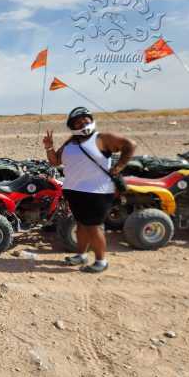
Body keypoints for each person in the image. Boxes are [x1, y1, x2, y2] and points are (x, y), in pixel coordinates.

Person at [44, 106, 136, 273]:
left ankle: (101, 261)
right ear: (72, 126)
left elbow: (130, 145)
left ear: (92, 120)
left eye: (85, 120)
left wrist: (119, 167)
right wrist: (49, 147)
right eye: (78, 122)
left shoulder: (101, 138)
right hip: (74, 190)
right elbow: (55, 161)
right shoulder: (70, 142)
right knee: (80, 224)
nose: (83, 124)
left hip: (97, 192)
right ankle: (81, 255)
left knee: (93, 227)